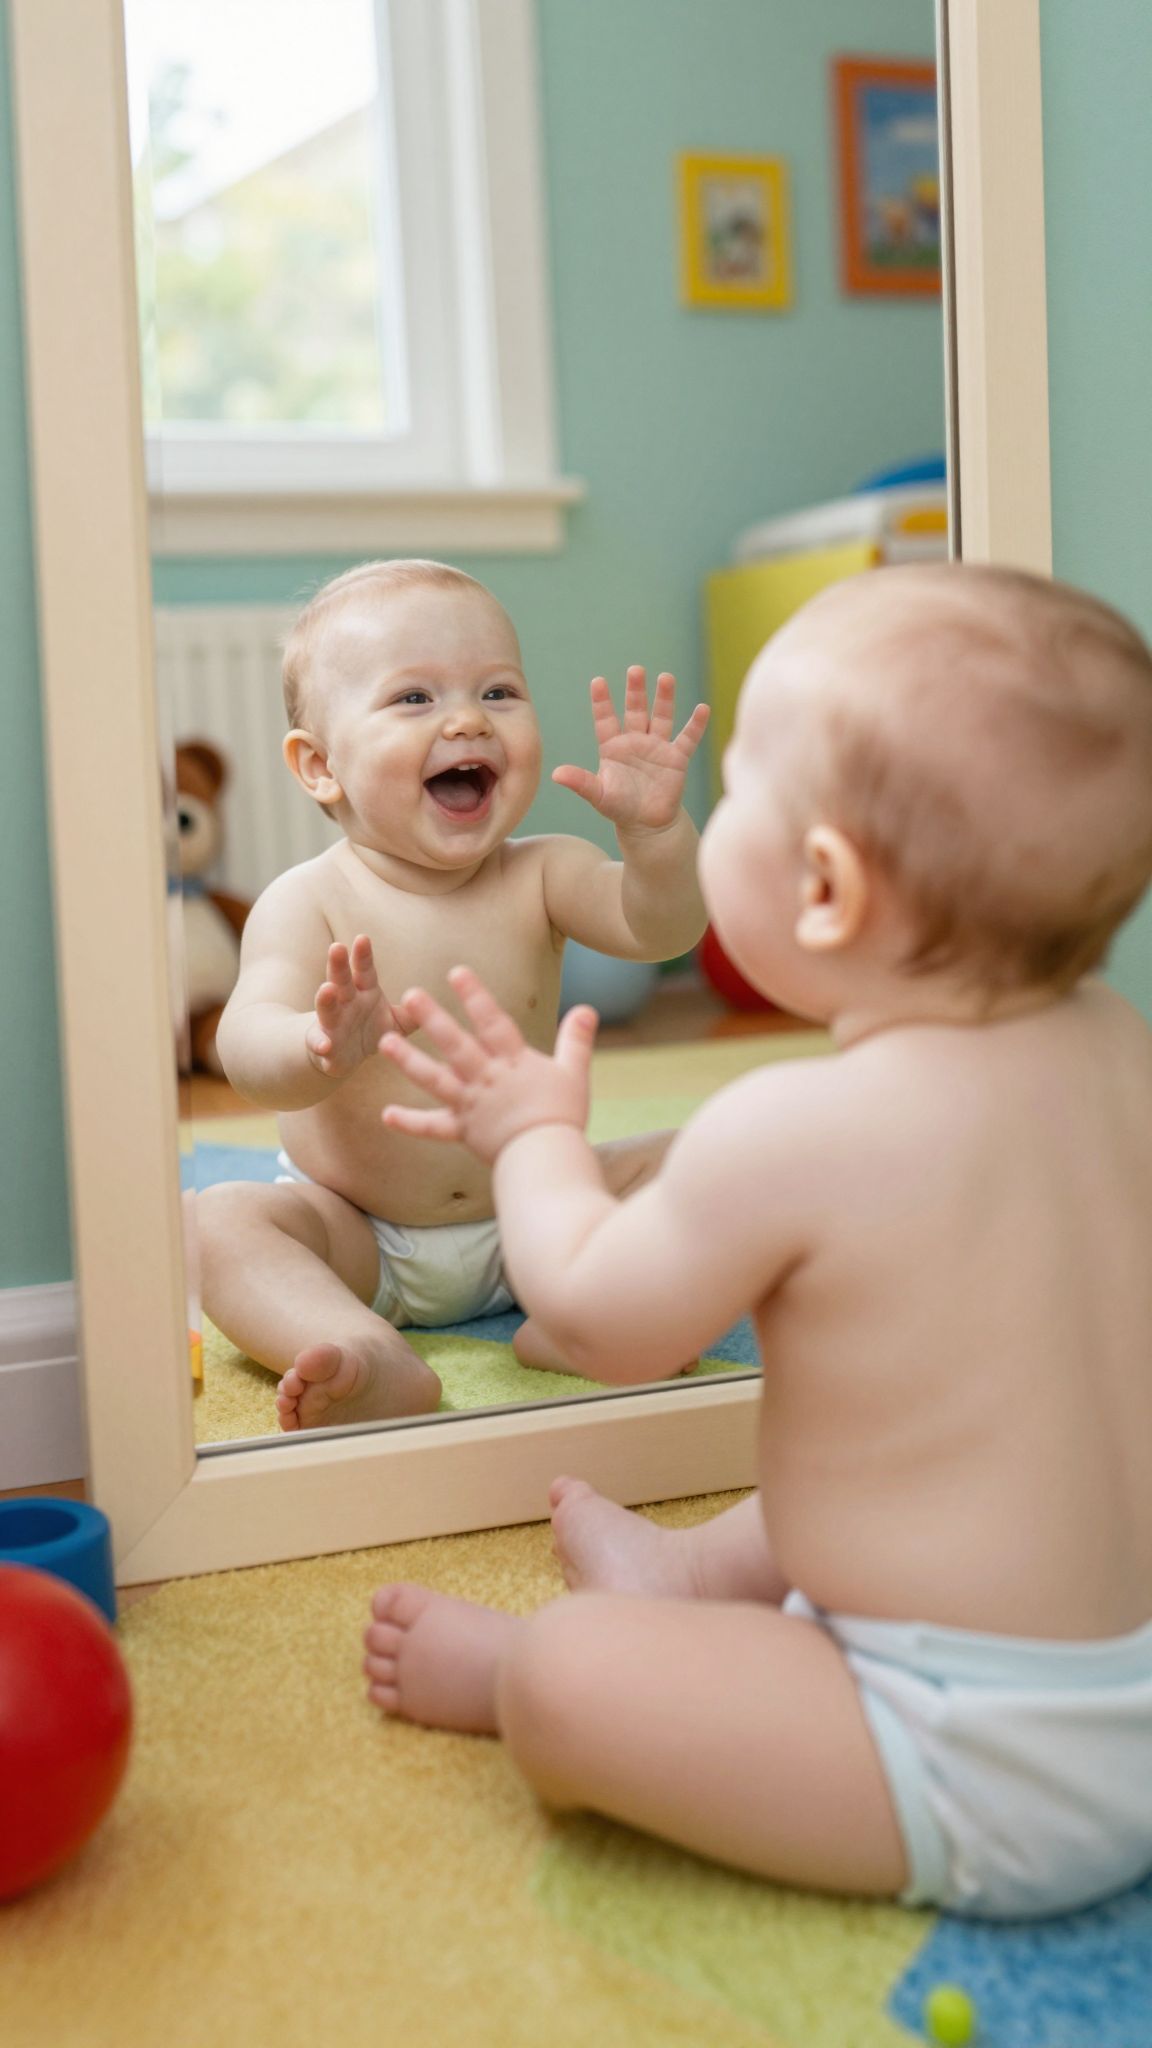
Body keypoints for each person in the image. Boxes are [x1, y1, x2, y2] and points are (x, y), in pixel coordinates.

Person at [363, 562, 1152, 1921]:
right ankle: (683, 1574)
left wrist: (534, 1137)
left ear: (825, 888)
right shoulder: (1116, 1047)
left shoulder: (792, 1127)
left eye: (733, 796)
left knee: (572, 1676)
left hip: (975, 1755)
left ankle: (516, 1677)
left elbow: (598, 1319)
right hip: (1119, 1651)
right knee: (891, 1431)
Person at [198, 558, 709, 1430]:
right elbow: (245, 1046)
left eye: (498, 692)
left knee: (710, 1154)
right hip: (357, 1231)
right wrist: (317, 1046)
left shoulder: (547, 870)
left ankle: (583, 1320)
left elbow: (661, 929)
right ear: (320, 766)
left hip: (537, 1212)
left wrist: (656, 837)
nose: (469, 719)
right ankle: (363, 1349)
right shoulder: (307, 900)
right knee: (217, 1224)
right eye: (414, 698)